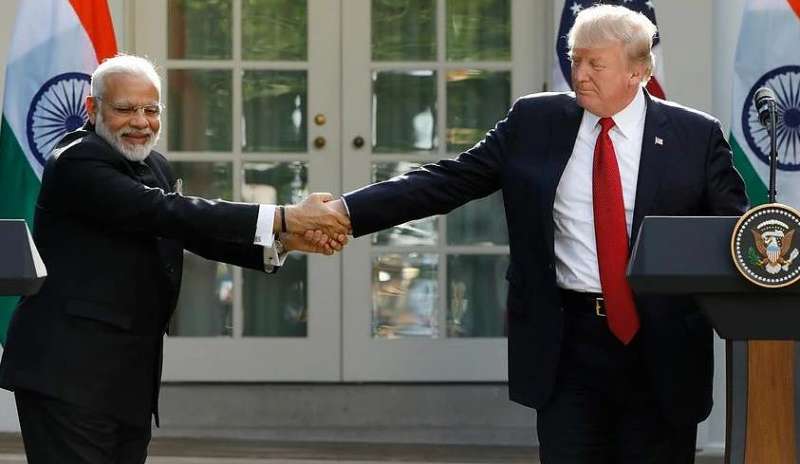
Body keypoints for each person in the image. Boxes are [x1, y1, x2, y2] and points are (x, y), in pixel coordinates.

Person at [323, 5, 748, 463]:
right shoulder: (535, 122)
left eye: (596, 64)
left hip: (661, 347)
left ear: (638, 71)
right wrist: (346, 211)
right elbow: (448, 181)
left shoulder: (694, 136)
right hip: (568, 342)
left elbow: (732, 235)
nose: (579, 75)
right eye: (575, 59)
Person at [0, 55, 349, 464]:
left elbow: (186, 229)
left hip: (126, 381)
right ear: (92, 109)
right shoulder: (76, 160)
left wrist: (284, 240)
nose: (141, 122)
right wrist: (284, 215)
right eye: (125, 109)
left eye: (151, 110)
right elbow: (163, 211)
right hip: (67, 375)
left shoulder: (155, 165)